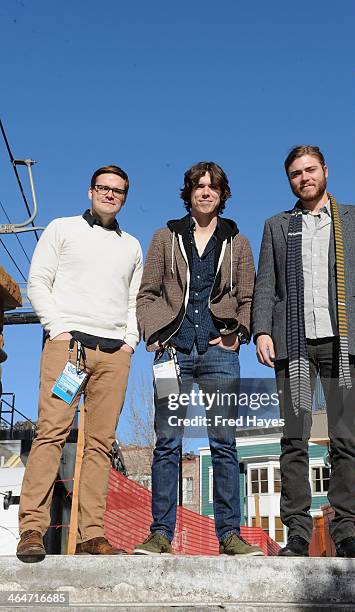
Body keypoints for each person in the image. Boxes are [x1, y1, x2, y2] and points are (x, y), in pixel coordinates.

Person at [253, 145, 355, 558]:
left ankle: (344, 532)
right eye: (296, 173)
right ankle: (297, 532)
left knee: (345, 439)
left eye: (311, 170)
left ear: (325, 171)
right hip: (292, 345)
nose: (304, 178)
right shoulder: (277, 226)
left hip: (342, 342)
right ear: (289, 180)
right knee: (294, 440)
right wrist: (260, 331)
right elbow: (266, 285)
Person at [134, 161, 263, 556]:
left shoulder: (236, 241)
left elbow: (248, 296)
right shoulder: (165, 236)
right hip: (174, 352)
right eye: (199, 186)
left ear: (222, 195)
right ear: (188, 192)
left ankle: (229, 535)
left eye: (213, 187)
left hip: (219, 354)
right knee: (168, 443)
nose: (205, 192)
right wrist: (154, 334)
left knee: (223, 444)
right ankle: (160, 534)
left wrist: (237, 335)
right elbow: (148, 292)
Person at [16, 165, 143, 562]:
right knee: (51, 433)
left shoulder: (132, 246)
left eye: (118, 191)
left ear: (124, 197)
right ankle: (32, 530)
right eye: (103, 188)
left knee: (101, 445)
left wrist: (129, 343)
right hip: (69, 350)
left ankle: (91, 534)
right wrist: (57, 329)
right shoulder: (62, 228)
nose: (110, 194)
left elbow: (133, 301)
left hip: (113, 355)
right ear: (90, 191)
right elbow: (38, 281)